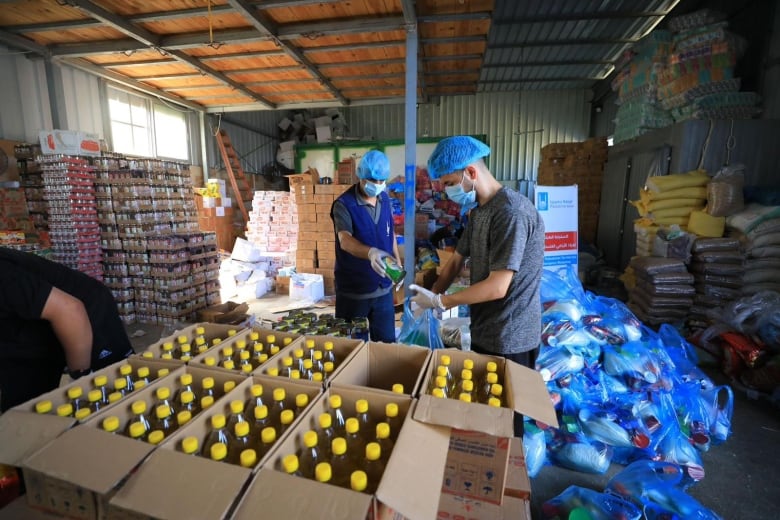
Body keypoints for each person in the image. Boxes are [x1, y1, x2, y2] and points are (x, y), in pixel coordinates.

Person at [410, 136, 546, 369]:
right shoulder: (480, 211)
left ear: (471, 172)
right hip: (485, 329)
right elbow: (455, 261)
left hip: (511, 338)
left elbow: (497, 287)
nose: (445, 192)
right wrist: (431, 296)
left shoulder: (511, 213)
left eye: (449, 183)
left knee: (509, 404)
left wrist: (441, 301)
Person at [0, 247, 133, 411]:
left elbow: (71, 310)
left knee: (109, 396)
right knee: (23, 409)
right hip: (33, 329)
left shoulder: (4, 275)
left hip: (86, 315)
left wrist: (79, 379)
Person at [330, 150, 401, 343]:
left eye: (381, 180)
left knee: (386, 346)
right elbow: (345, 240)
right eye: (372, 180)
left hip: (383, 290)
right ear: (360, 176)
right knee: (351, 347)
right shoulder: (344, 205)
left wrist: (398, 264)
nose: (378, 185)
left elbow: (390, 232)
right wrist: (370, 253)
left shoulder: (384, 199)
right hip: (354, 291)